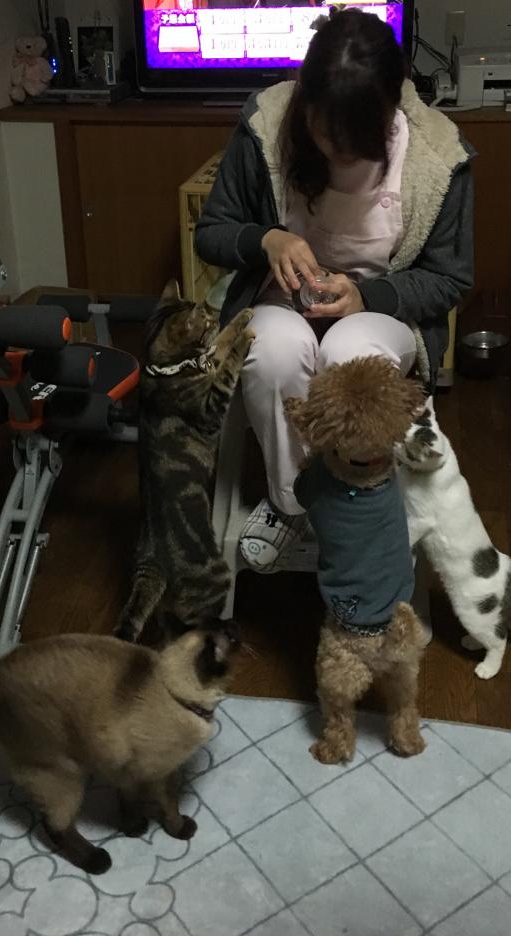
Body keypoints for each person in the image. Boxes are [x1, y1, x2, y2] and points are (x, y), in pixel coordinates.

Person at [195, 8, 474, 572]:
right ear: (304, 99)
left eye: (357, 145)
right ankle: (293, 500)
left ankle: (353, 494)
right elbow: (212, 232)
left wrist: (366, 297)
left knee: (350, 356)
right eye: (325, 135)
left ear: (392, 109)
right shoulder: (265, 125)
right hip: (281, 298)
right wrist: (268, 239)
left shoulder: (439, 156)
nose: (338, 154)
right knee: (273, 351)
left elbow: (449, 279)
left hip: (383, 307)